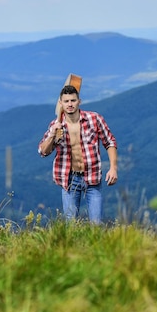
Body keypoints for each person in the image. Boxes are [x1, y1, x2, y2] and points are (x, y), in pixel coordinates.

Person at [38, 85, 118, 224]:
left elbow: (109, 141)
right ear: (60, 103)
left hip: (92, 178)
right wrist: (52, 135)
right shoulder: (56, 125)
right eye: (67, 101)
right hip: (69, 180)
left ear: (79, 101)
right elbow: (43, 151)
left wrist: (113, 168)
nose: (70, 104)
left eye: (73, 100)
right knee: (71, 226)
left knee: (96, 224)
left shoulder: (94, 119)